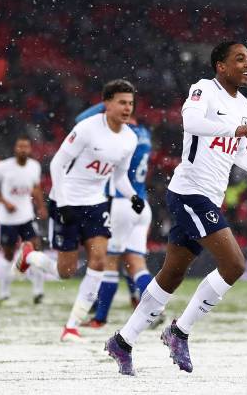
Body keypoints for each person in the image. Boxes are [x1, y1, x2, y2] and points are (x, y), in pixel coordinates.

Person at [105, 41, 247, 375]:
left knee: (171, 275)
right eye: (239, 59)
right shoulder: (203, 90)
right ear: (220, 65)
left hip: (208, 197)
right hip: (190, 194)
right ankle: (179, 331)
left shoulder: (244, 105)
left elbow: (237, 152)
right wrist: (234, 128)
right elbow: (190, 124)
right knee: (234, 264)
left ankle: (123, 341)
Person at [13, 79, 145, 342]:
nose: (127, 108)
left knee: (98, 261)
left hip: (97, 203)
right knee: (66, 271)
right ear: (107, 104)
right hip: (66, 201)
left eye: (130, 103)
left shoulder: (130, 138)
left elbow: (119, 176)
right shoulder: (86, 129)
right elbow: (58, 164)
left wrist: (132, 196)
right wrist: (62, 203)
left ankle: (71, 326)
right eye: (122, 102)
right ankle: (31, 256)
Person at [73, 102, 157, 328]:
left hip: (121, 202)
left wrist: (105, 104)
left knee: (109, 262)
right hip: (141, 204)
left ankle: (100, 318)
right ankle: (155, 310)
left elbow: (80, 120)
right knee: (137, 264)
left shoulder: (123, 136)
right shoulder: (144, 134)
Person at [0, 135, 47, 304]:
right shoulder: (3, 167)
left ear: (30, 149)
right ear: (15, 148)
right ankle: (4, 293)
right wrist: (5, 202)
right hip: (7, 219)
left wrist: (41, 206)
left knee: (35, 250)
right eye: (20, 146)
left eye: (26, 146)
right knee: (7, 255)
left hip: (26, 216)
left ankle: (38, 292)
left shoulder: (34, 167)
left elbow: (36, 188)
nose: (23, 149)